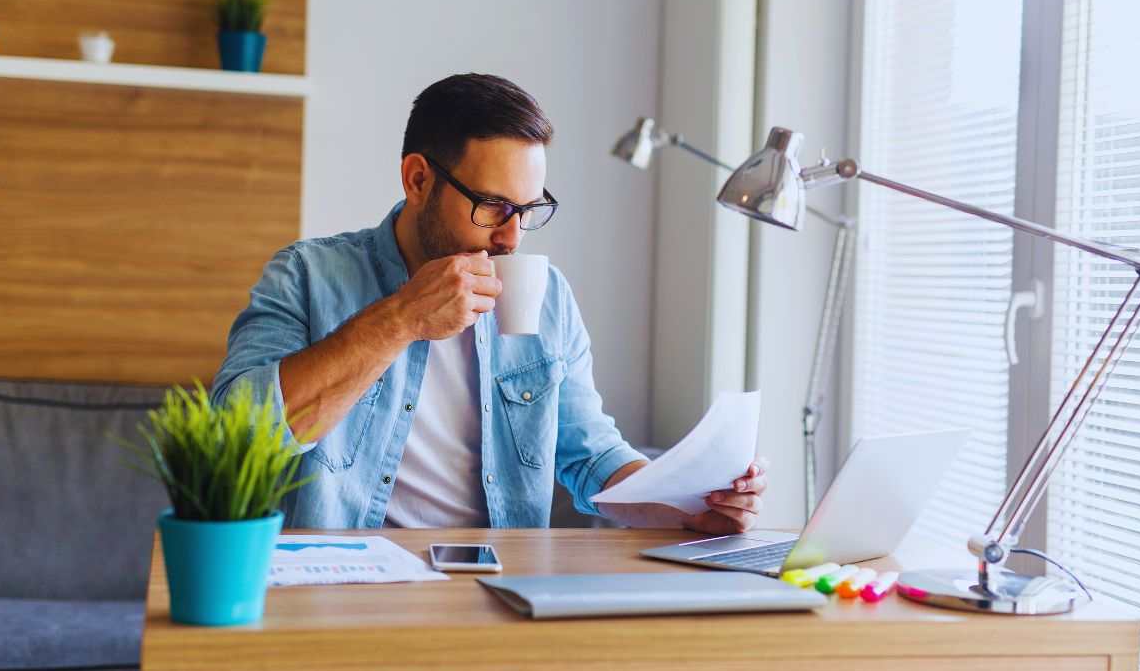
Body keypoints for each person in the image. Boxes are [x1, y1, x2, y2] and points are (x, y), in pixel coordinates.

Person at [211, 73, 766, 533]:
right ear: (418, 179)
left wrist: (691, 507)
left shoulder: (549, 299)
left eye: (529, 209)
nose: (512, 237)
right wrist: (401, 319)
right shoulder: (307, 276)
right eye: (494, 206)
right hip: (346, 588)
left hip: (498, 589)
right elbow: (232, 443)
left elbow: (590, 458)